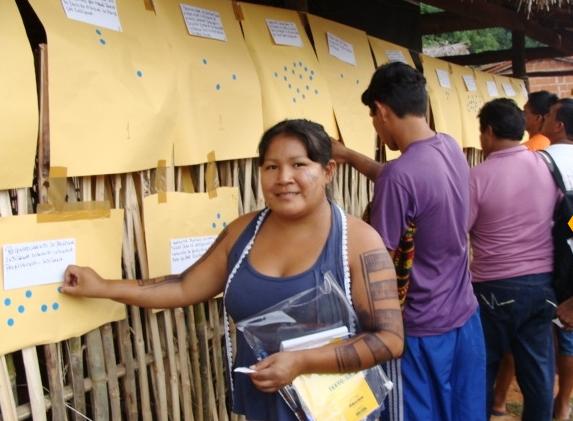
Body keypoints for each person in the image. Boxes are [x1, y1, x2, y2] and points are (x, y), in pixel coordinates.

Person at [61, 119, 404, 421]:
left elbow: (389, 340)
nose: (284, 178)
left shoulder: (358, 242)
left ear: (328, 170)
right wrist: (102, 286)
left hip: (338, 409)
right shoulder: (242, 232)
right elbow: (184, 287)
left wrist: (302, 362)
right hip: (264, 405)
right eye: (271, 167)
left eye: (299, 164)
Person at [331, 62, 485, 421]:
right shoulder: (447, 147)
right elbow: (406, 182)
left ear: (382, 110)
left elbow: (378, 265)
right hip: (464, 318)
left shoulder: (400, 177)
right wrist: (349, 155)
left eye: (372, 116)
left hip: (418, 332)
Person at [469, 98, 559, 421]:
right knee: (537, 372)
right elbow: (565, 220)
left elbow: (460, 230)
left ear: (489, 133)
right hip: (541, 288)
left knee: (483, 367)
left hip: (492, 288)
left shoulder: (477, 177)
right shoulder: (546, 168)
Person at [543, 98, 573, 421]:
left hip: (548, 253)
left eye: (549, 116)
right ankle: (564, 401)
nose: (544, 120)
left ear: (560, 124)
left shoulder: (542, 160)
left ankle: (557, 400)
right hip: (568, 248)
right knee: (567, 332)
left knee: (554, 327)